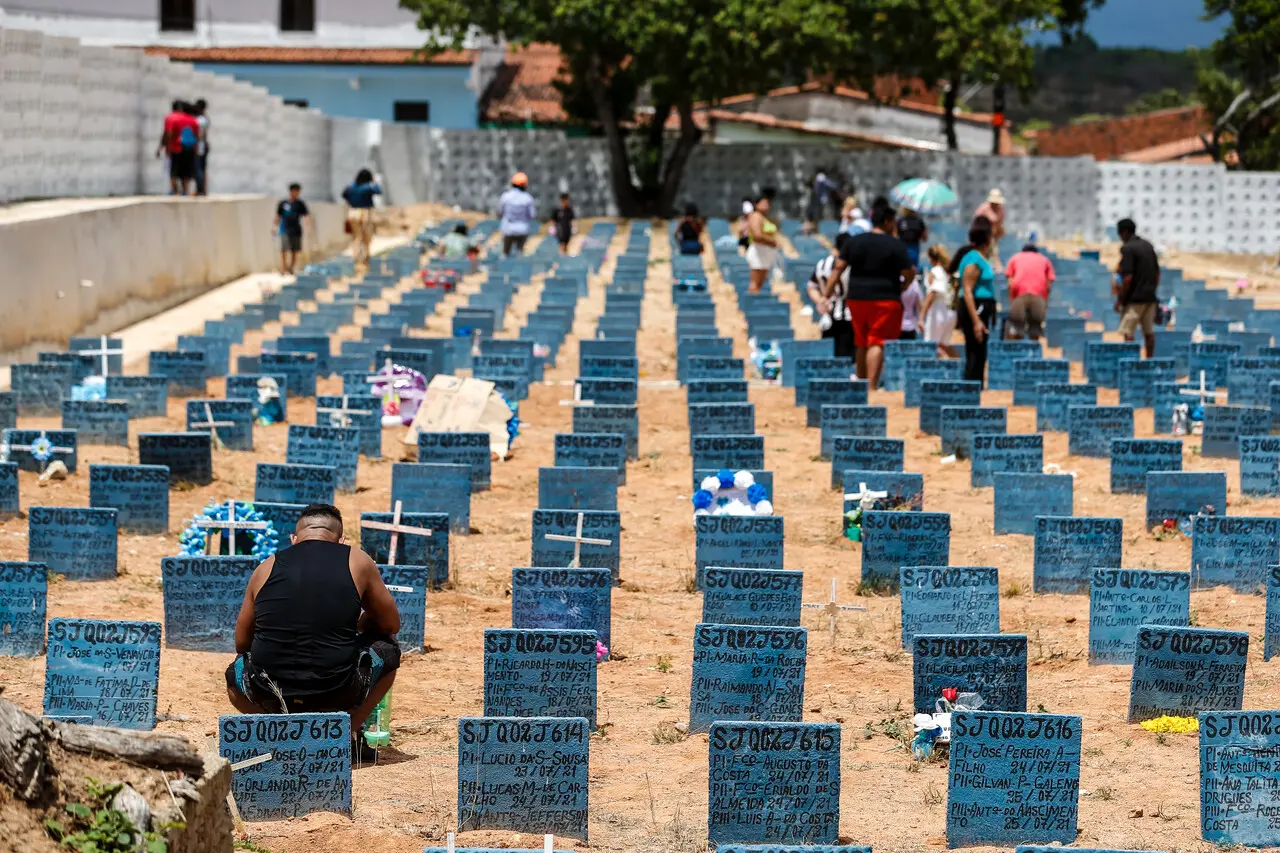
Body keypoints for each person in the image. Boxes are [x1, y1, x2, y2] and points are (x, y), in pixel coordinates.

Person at [225, 504, 401, 755]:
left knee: (235, 675)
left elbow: (242, 643)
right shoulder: (357, 559)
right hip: (339, 688)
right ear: (341, 540)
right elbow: (390, 625)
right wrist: (360, 624)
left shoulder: (265, 567)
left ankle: (281, 731)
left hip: (270, 690)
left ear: (294, 539)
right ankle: (342, 734)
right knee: (389, 651)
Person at [824, 203, 914, 388]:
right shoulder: (895, 245)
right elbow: (909, 272)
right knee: (877, 342)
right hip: (885, 298)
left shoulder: (854, 241)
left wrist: (827, 293)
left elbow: (838, 269)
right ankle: (872, 387)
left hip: (856, 298)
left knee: (861, 342)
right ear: (888, 222)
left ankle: (860, 384)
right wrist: (903, 286)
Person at [956, 224, 998, 384]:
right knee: (975, 350)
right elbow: (967, 290)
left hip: (982, 307)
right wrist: (976, 321)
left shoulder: (980, 257)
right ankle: (971, 386)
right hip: (976, 308)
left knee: (980, 351)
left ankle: (976, 385)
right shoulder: (973, 259)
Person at [1114, 218, 1160, 357]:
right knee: (1149, 333)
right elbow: (1157, 273)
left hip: (1134, 299)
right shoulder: (1148, 245)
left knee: (1128, 332)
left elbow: (1128, 278)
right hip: (1150, 297)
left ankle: (1131, 362)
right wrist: (1151, 289)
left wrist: (1121, 299)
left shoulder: (1127, 248)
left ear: (1124, 232)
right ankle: (1149, 361)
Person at [805, 232, 854, 359]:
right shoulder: (851, 265)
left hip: (827, 315)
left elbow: (811, 287)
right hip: (849, 316)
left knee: (830, 358)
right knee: (847, 357)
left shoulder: (822, 264)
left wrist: (821, 300)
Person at [1005, 242, 1055, 341]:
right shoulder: (1044, 260)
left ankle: (1018, 351)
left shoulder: (1015, 258)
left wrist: (1012, 301)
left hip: (1019, 295)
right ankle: (1032, 352)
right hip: (1038, 296)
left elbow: (1010, 283)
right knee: (1035, 329)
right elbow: (1049, 285)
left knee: (1017, 328)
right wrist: (1045, 303)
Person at [921, 244, 958, 357]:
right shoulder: (948, 272)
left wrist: (921, 316)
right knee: (944, 345)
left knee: (931, 346)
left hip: (938, 311)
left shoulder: (935, 272)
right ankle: (960, 366)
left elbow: (932, 294)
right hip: (950, 312)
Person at [156, 100, 199, 196]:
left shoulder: (171, 118)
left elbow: (168, 133)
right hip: (189, 149)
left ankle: (174, 190)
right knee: (186, 171)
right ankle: (185, 191)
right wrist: (196, 150)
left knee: (173, 171)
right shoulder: (192, 120)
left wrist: (162, 147)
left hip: (176, 148)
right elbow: (196, 137)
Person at [342, 168, 382, 270]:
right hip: (365, 213)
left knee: (356, 236)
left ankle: (355, 258)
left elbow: (344, 195)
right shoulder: (367, 187)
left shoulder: (351, 187)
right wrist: (374, 182)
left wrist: (352, 201)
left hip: (352, 212)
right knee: (366, 236)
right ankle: (366, 257)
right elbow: (378, 191)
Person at [745, 192, 779, 294]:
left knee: (760, 284)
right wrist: (772, 241)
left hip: (765, 253)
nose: (766, 205)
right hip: (758, 251)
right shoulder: (756, 216)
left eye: (767, 203)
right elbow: (757, 236)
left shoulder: (764, 218)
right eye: (763, 203)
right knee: (755, 283)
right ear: (756, 205)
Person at [274, 183, 311, 275]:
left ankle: (291, 267)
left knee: (295, 250)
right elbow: (278, 215)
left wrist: (308, 226)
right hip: (284, 229)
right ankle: (283, 267)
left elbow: (306, 215)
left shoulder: (300, 204)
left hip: (296, 229)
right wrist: (274, 226)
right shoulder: (283, 203)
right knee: (284, 249)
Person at [497, 172, 536, 256]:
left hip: (508, 229)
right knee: (519, 255)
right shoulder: (528, 198)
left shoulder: (506, 196)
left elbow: (500, 212)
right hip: (523, 230)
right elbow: (532, 215)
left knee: (505, 253)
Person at [973, 188, 1007, 270]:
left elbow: (1000, 221)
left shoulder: (1000, 208)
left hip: (994, 235)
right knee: (985, 252)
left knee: (994, 251)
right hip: (983, 236)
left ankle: (996, 269)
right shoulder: (983, 208)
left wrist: (999, 232)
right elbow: (976, 221)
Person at [899, 266, 925, 341]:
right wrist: (921, 320)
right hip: (910, 326)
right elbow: (920, 305)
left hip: (897, 325)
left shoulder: (897, 282)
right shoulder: (915, 284)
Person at [193, 99, 210, 196]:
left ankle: (201, 189)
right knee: (202, 168)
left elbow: (201, 134)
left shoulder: (200, 119)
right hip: (203, 145)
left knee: (199, 168)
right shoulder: (205, 118)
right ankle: (202, 189)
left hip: (200, 146)